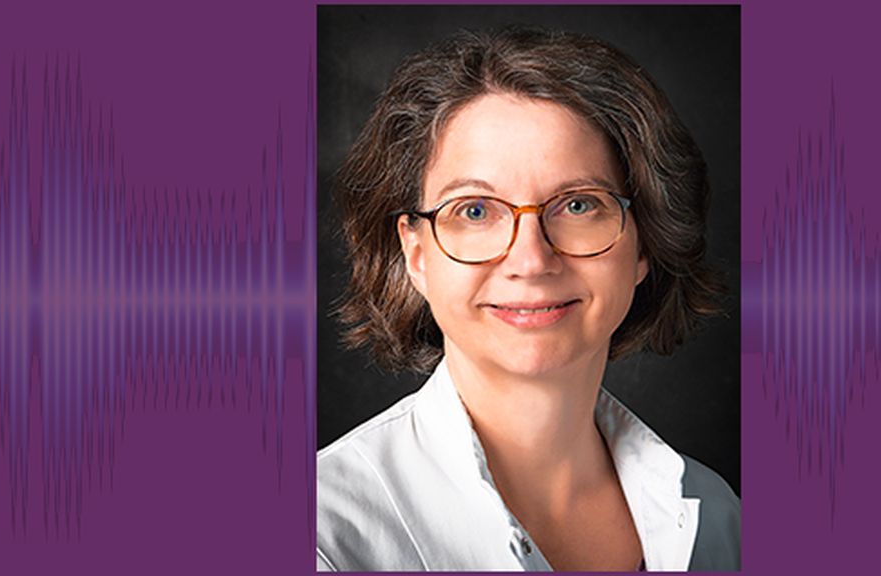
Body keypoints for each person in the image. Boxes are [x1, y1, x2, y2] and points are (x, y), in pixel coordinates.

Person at [317, 27, 740, 572]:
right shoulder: (320, 537)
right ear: (416, 254)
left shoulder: (722, 519)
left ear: (645, 245)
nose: (531, 260)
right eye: (474, 210)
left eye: (579, 205)